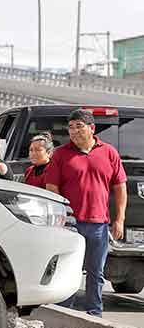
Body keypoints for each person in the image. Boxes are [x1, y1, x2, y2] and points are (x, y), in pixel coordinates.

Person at [45, 109, 127, 317]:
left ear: (92, 128)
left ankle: (94, 314)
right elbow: (51, 187)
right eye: (71, 127)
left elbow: (120, 186)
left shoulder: (109, 152)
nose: (74, 131)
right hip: (71, 223)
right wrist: (62, 216)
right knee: (68, 270)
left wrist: (119, 220)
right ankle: (64, 313)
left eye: (79, 126)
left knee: (96, 273)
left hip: (100, 224)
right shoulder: (61, 155)